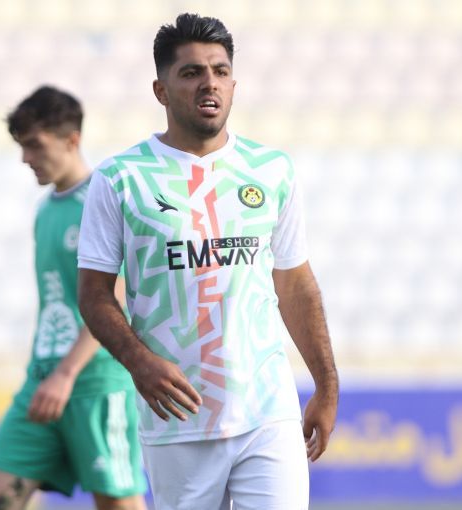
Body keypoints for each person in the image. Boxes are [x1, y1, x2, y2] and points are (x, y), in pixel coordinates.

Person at [76, 13, 339, 510]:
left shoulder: (272, 171)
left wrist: (326, 386)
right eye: (191, 72)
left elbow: (295, 284)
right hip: (179, 418)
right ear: (161, 90)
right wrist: (139, 363)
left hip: (267, 412)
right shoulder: (120, 178)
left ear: (234, 85)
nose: (209, 83)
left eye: (220, 71)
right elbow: (93, 294)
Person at [0, 85, 148, 510]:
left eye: (35, 145)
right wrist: (52, 373)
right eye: (21, 147)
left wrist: (67, 373)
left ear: (72, 140)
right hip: (43, 377)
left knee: (117, 503)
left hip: (95, 381)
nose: (26, 158)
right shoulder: (45, 209)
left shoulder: (101, 201)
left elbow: (113, 299)